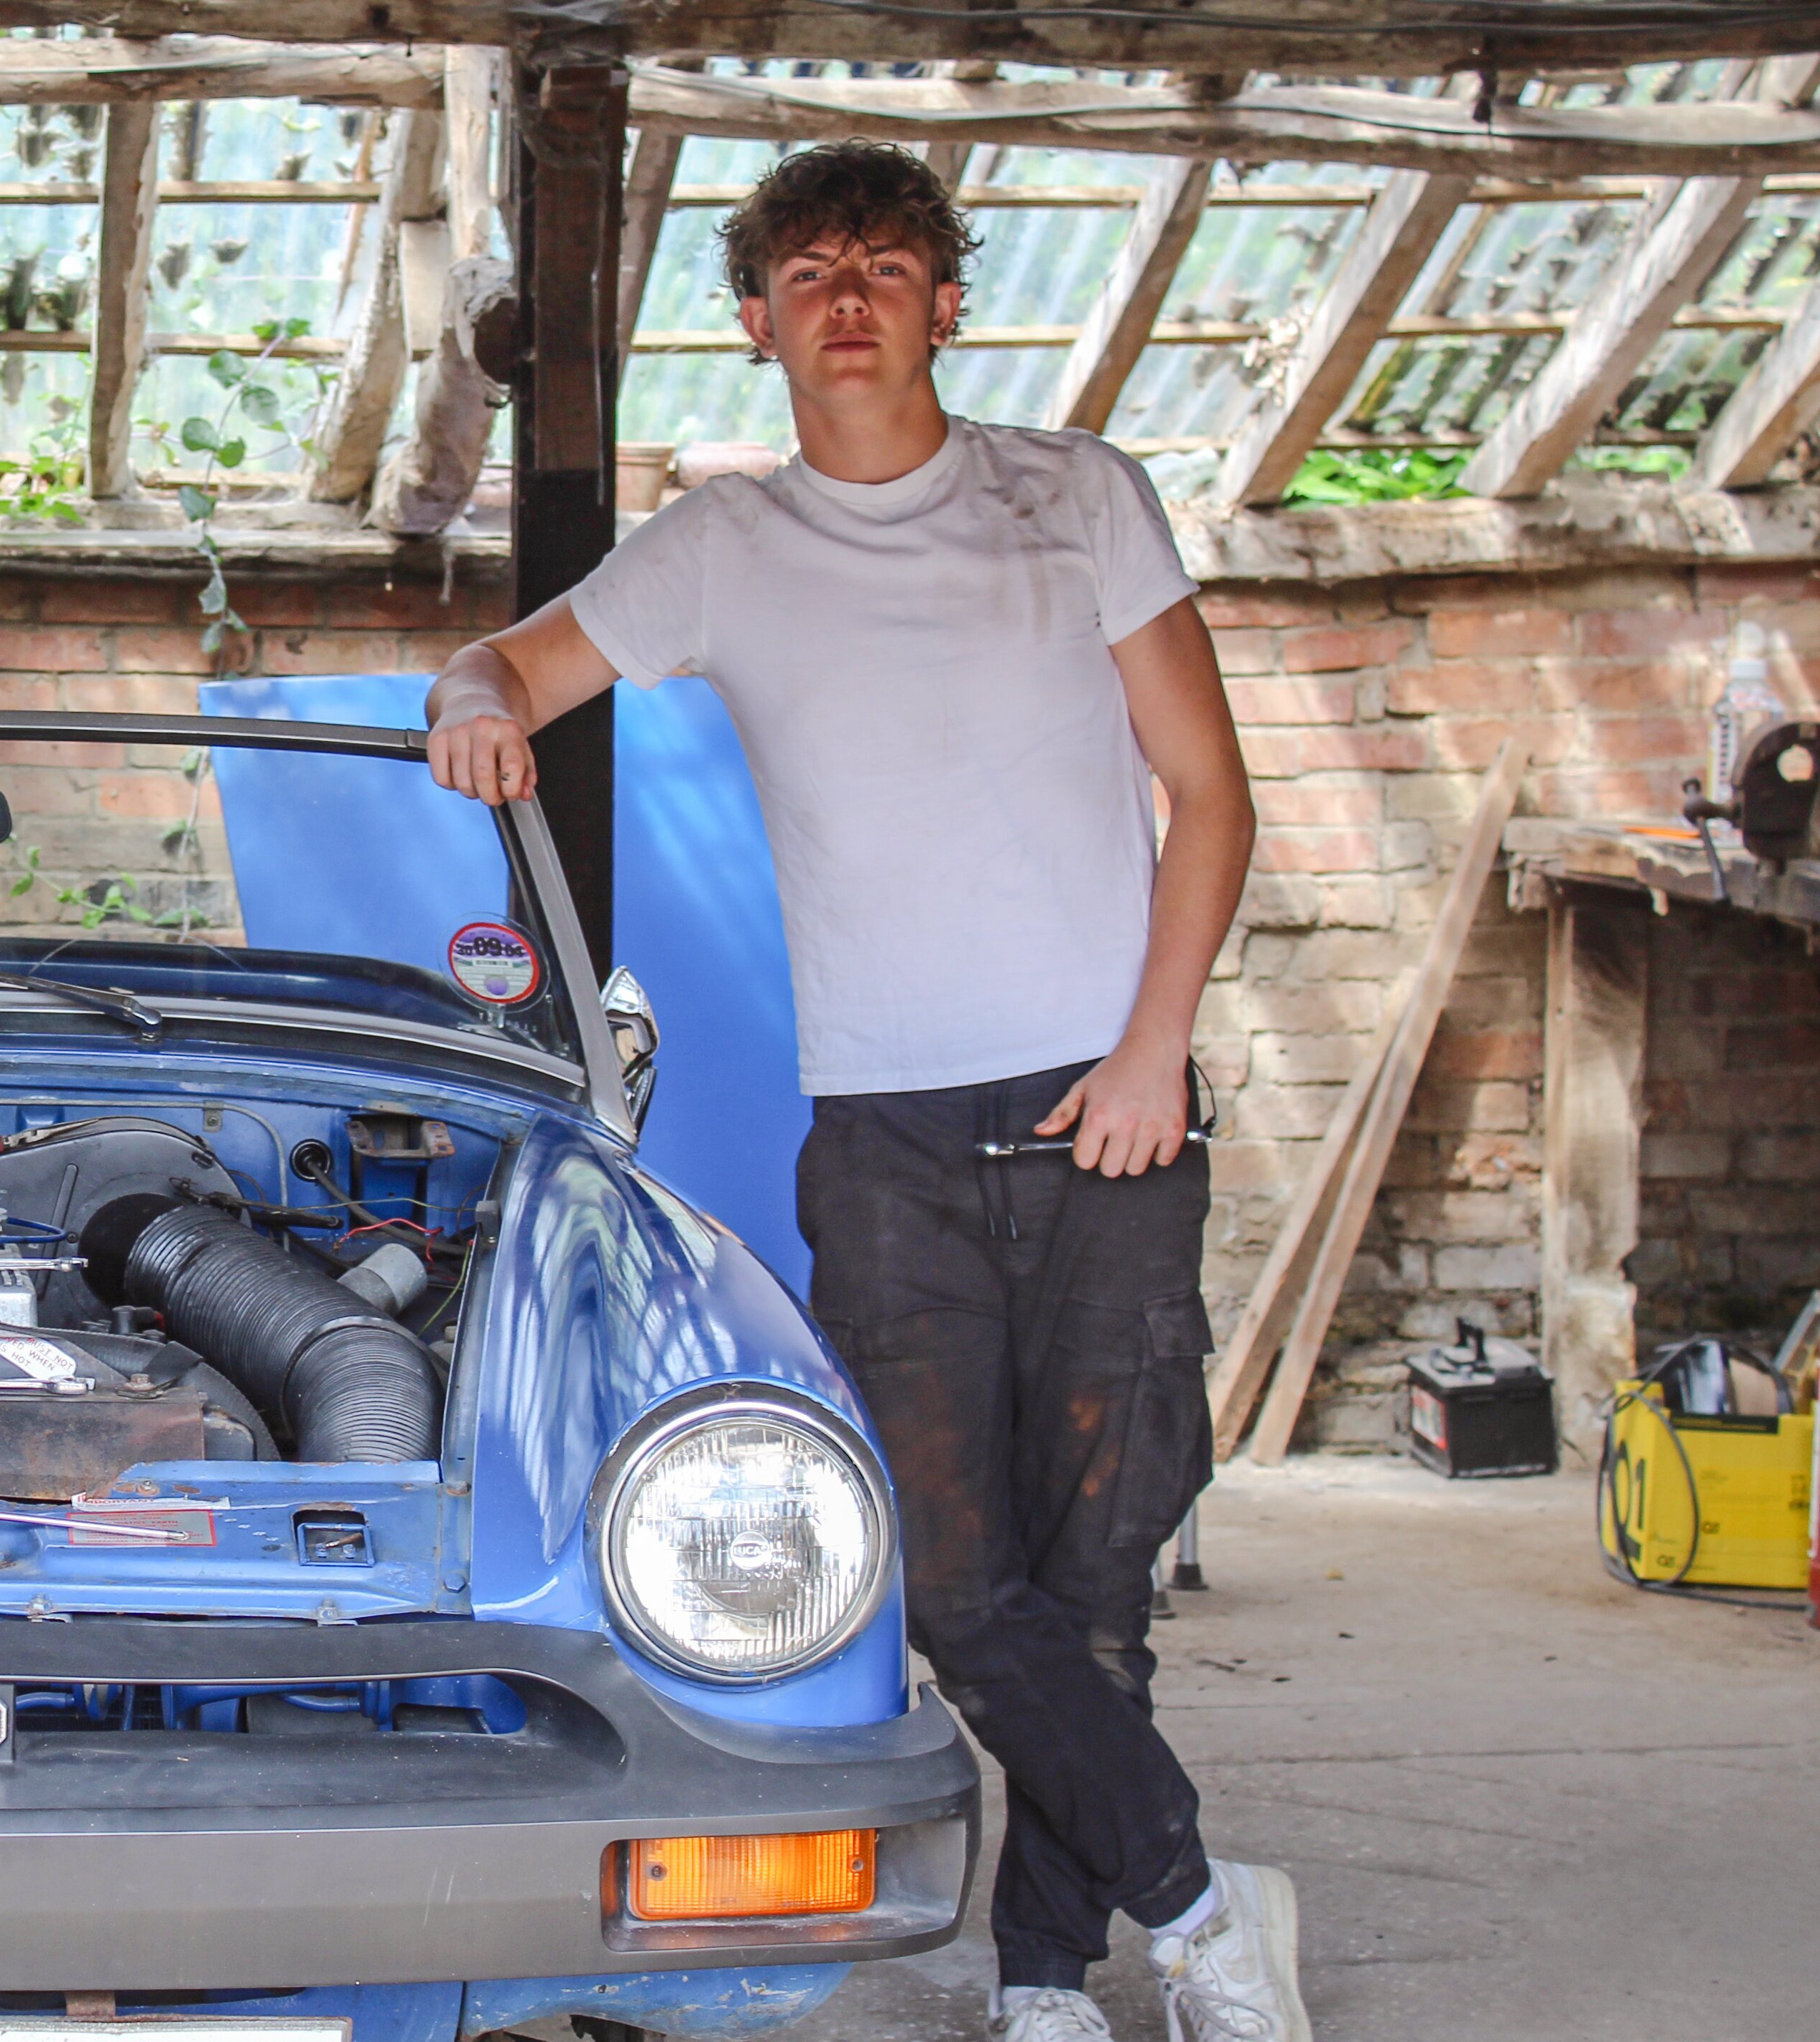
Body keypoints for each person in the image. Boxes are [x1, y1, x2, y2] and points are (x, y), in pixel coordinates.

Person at [426, 143, 1295, 2042]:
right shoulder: (724, 548)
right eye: (807, 271)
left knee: (1097, 1586)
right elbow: (506, 660)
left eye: (884, 266)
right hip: (886, 1135)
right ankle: (1202, 1898)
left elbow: (1210, 793)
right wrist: (471, 701)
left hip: (1104, 1109)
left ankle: (1049, 1978)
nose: (845, 298)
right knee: (948, 1583)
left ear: (943, 303)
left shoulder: (1074, 496)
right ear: (756, 320)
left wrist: (1152, 1047)